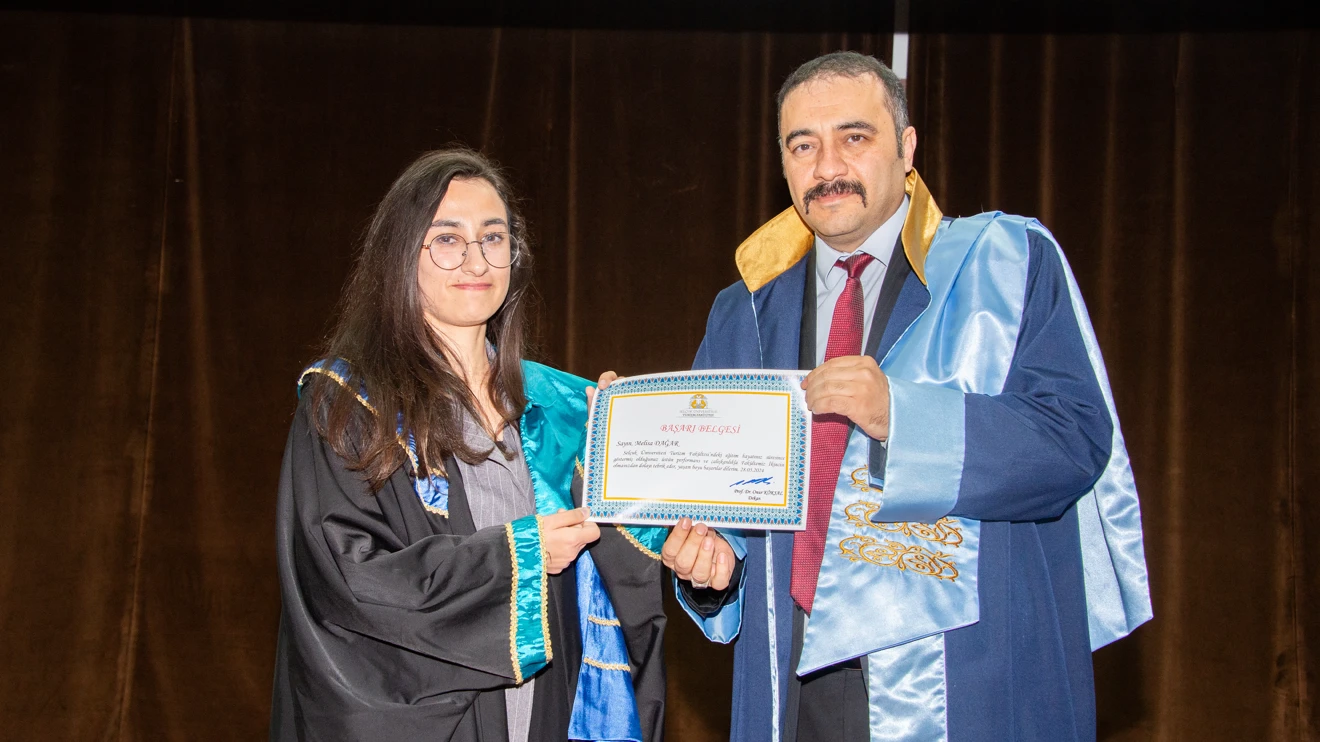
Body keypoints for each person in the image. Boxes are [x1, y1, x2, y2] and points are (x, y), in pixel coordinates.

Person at [659, 51, 1153, 741]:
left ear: (907, 147)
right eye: (803, 146)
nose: (828, 166)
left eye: (854, 137)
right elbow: (723, 511)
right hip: (790, 685)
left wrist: (904, 418)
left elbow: (1074, 442)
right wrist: (711, 572)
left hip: (968, 678)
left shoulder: (1004, 262)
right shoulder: (744, 311)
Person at [269, 148, 668, 742]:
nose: (476, 260)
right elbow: (348, 583)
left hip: (550, 710)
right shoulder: (349, 404)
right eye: (448, 239)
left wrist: (636, 459)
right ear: (402, 255)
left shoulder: (563, 405)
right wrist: (518, 557)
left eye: (493, 237)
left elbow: (623, 575)